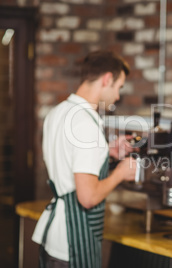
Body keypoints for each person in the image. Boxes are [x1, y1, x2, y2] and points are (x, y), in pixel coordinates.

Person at [32, 50, 137, 268]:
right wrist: (120, 173)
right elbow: (87, 197)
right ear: (107, 79)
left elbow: (67, 157)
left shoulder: (59, 112)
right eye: (118, 87)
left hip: (53, 238)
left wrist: (106, 151)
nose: (117, 96)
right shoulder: (86, 125)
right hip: (72, 243)